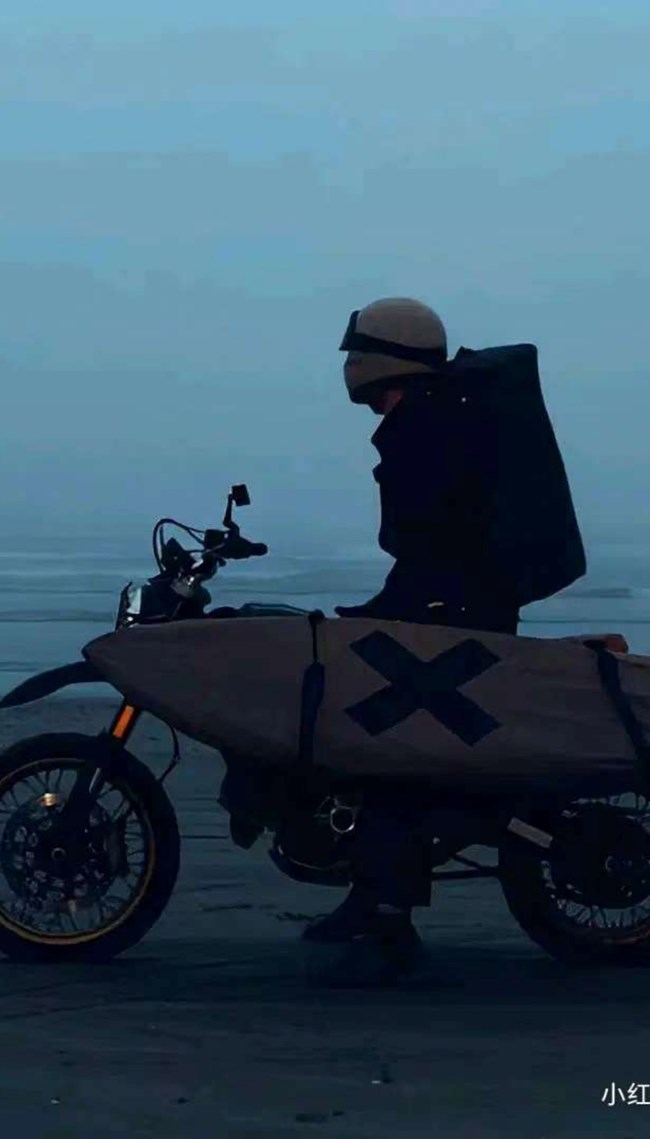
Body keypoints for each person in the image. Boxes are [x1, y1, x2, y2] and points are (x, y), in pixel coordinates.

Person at [304, 297, 585, 987]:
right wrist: (383, 607)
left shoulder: (429, 428)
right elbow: (430, 547)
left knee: (390, 752)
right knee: (377, 738)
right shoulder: (435, 418)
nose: (349, 365)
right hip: (455, 609)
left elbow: (439, 545)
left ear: (385, 358)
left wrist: (397, 608)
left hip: (455, 619)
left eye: (357, 351)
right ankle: (368, 895)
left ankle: (390, 922)